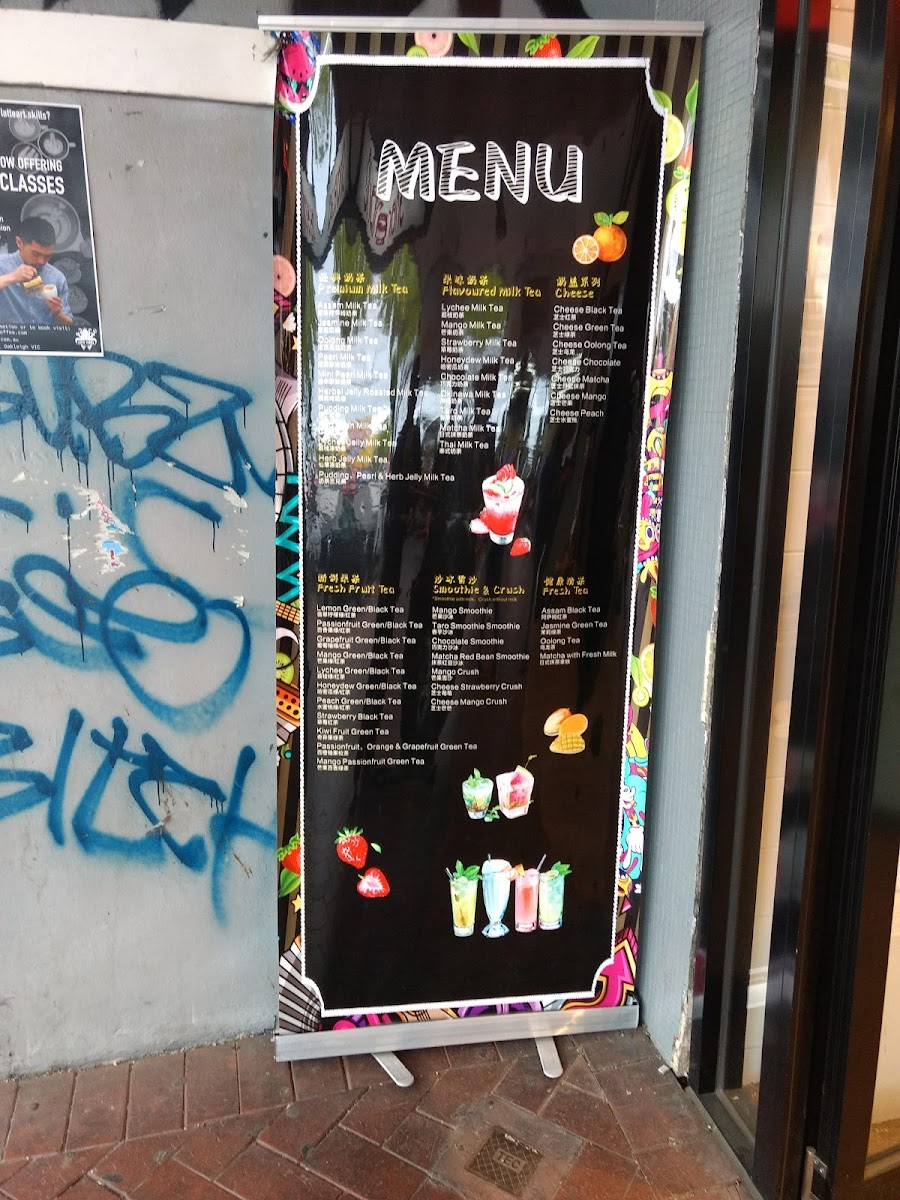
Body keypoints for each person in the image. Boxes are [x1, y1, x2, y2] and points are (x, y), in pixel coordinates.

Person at [0, 216, 73, 325]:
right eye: (36, 254)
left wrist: (58, 314)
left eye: (47, 256)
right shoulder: (2, 265)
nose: (41, 261)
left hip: (44, 334)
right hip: (10, 334)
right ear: (19, 243)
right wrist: (12, 277)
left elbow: (70, 324)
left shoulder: (57, 278)